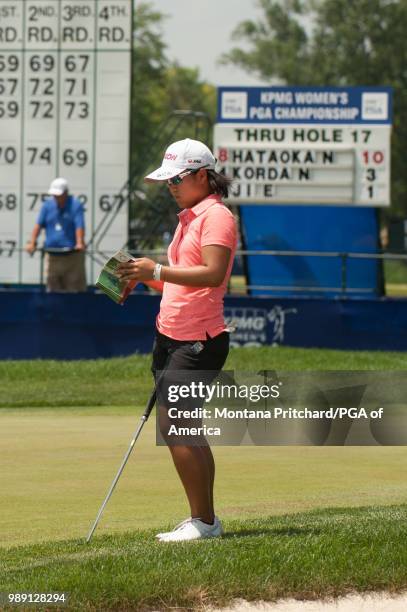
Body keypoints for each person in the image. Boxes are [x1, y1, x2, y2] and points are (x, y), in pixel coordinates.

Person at [117, 138, 237, 542]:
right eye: (167, 179)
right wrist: (145, 277)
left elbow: (213, 274)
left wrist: (160, 270)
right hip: (170, 335)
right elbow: (180, 279)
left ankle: (202, 522)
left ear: (202, 175)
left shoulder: (216, 216)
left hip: (197, 340)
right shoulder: (187, 216)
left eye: (178, 178)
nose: (171, 185)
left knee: (176, 425)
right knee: (186, 426)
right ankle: (207, 521)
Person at [26, 177, 87, 292]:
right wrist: (32, 242)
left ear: (66, 193)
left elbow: (79, 225)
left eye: (59, 195)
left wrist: (79, 242)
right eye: (54, 195)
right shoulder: (47, 206)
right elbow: (38, 225)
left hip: (72, 258)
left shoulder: (75, 205)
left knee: (74, 292)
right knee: (52, 292)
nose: (56, 197)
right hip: (52, 257)